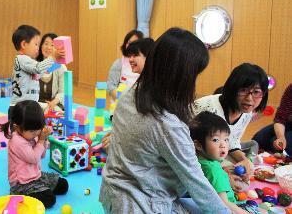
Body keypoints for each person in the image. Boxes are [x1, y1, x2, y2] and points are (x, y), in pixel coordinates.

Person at [99, 27, 229, 213]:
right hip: (140, 204)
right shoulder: (166, 123)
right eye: (194, 75)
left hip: (113, 195)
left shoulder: (133, 92)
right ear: (181, 76)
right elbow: (196, 183)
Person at [193, 63, 268, 192]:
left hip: (213, 154)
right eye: (243, 90)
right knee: (229, 184)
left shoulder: (246, 113)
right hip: (195, 157)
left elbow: (232, 142)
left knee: (243, 180)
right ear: (232, 89)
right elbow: (189, 149)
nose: (249, 98)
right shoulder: (208, 108)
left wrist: (245, 161)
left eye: (256, 92)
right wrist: (224, 175)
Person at [0, 100, 68, 208]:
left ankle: (41, 188)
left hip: (36, 176)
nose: (36, 133)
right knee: (49, 199)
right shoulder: (17, 141)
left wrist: (44, 140)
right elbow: (34, 158)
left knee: (63, 185)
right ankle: (21, 195)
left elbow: (42, 155)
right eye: (32, 131)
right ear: (17, 127)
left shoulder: (29, 134)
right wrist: (41, 140)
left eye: (38, 129)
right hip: (22, 184)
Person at [190, 112, 260, 214]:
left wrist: (227, 179)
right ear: (199, 145)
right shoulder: (214, 170)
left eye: (226, 139)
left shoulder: (198, 160)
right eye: (215, 140)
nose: (223, 145)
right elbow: (223, 204)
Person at [101, 37, 155, 151]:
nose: (130, 59)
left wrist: (118, 136)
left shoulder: (152, 85)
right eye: (129, 56)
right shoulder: (140, 81)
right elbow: (111, 87)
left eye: (135, 55)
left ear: (149, 56)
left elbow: (143, 122)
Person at [10, 25, 63, 107]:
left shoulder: (28, 62)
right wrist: (53, 57)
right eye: (36, 44)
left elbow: (41, 72)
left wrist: (56, 64)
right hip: (21, 107)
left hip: (29, 105)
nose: (38, 48)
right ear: (24, 44)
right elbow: (38, 68)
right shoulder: (22, 59)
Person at [253, 84, 292, 155]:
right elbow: (280, 118)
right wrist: (281, 137)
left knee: (283, 147)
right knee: (258, 139)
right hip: (289, 123)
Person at [107, 29, 143, 101]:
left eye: (135, 43)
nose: (131, 46)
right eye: (129, 43)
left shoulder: (144, 64)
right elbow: (110, 86)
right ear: (125, 44)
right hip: (120, 103)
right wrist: (122, 99)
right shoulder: (119, 63)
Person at [36, 33, 67, 113]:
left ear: (57, 49)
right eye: (46, 44)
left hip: (54, 104)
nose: (48, 47)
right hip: (36, 104)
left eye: (52, 45)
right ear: (41, 46)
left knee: (55, 112)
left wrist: (54, 102)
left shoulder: (60, 67)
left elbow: (63, 91)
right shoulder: (35, 65)